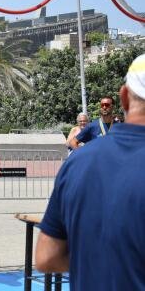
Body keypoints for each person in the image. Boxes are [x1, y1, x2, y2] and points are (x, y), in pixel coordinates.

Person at [35, 54, 145, 289]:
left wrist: (101, 263)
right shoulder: (93, 128)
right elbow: (73, 141)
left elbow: (46, 256)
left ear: (123, 97)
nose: (105, 108)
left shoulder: (77, 164)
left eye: (108, 105)